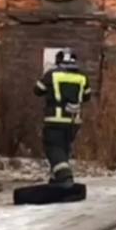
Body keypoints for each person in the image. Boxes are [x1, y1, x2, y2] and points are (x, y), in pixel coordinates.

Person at [34, 48, 92, 184]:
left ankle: (64, 176)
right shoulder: (83, 77)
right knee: (64, 149)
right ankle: (56, 179)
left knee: (53, 147)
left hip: (55, 119)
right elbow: (87, 96)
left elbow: (37, 90)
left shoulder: (52, 74)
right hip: (73, 121)